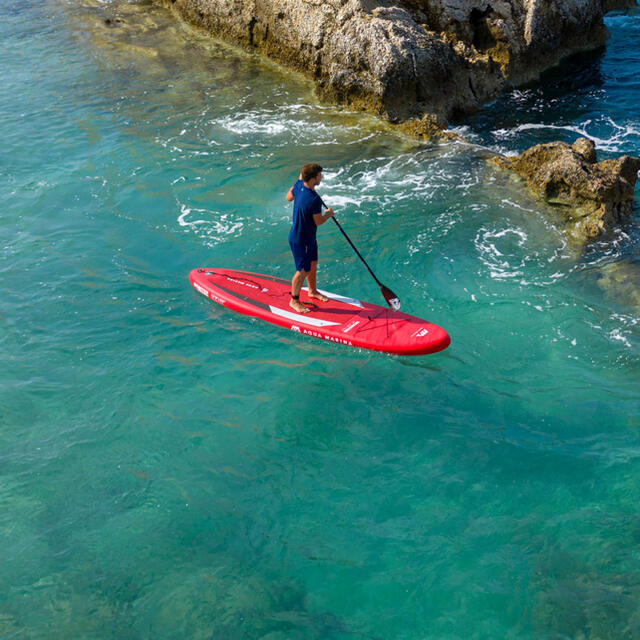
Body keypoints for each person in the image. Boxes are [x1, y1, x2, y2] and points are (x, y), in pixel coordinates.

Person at [285, 163, 334, 314]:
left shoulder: (299, 185)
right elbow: (318, 221)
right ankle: (294, 300)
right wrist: (328, 214)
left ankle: (312, 291)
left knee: (313, 263)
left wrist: (300, 181)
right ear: (313, 179)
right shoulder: (314, 199)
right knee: (302, 270)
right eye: (319, 175)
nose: (321, 177)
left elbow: (288, 198)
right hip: (301, 239)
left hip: (308, 237)